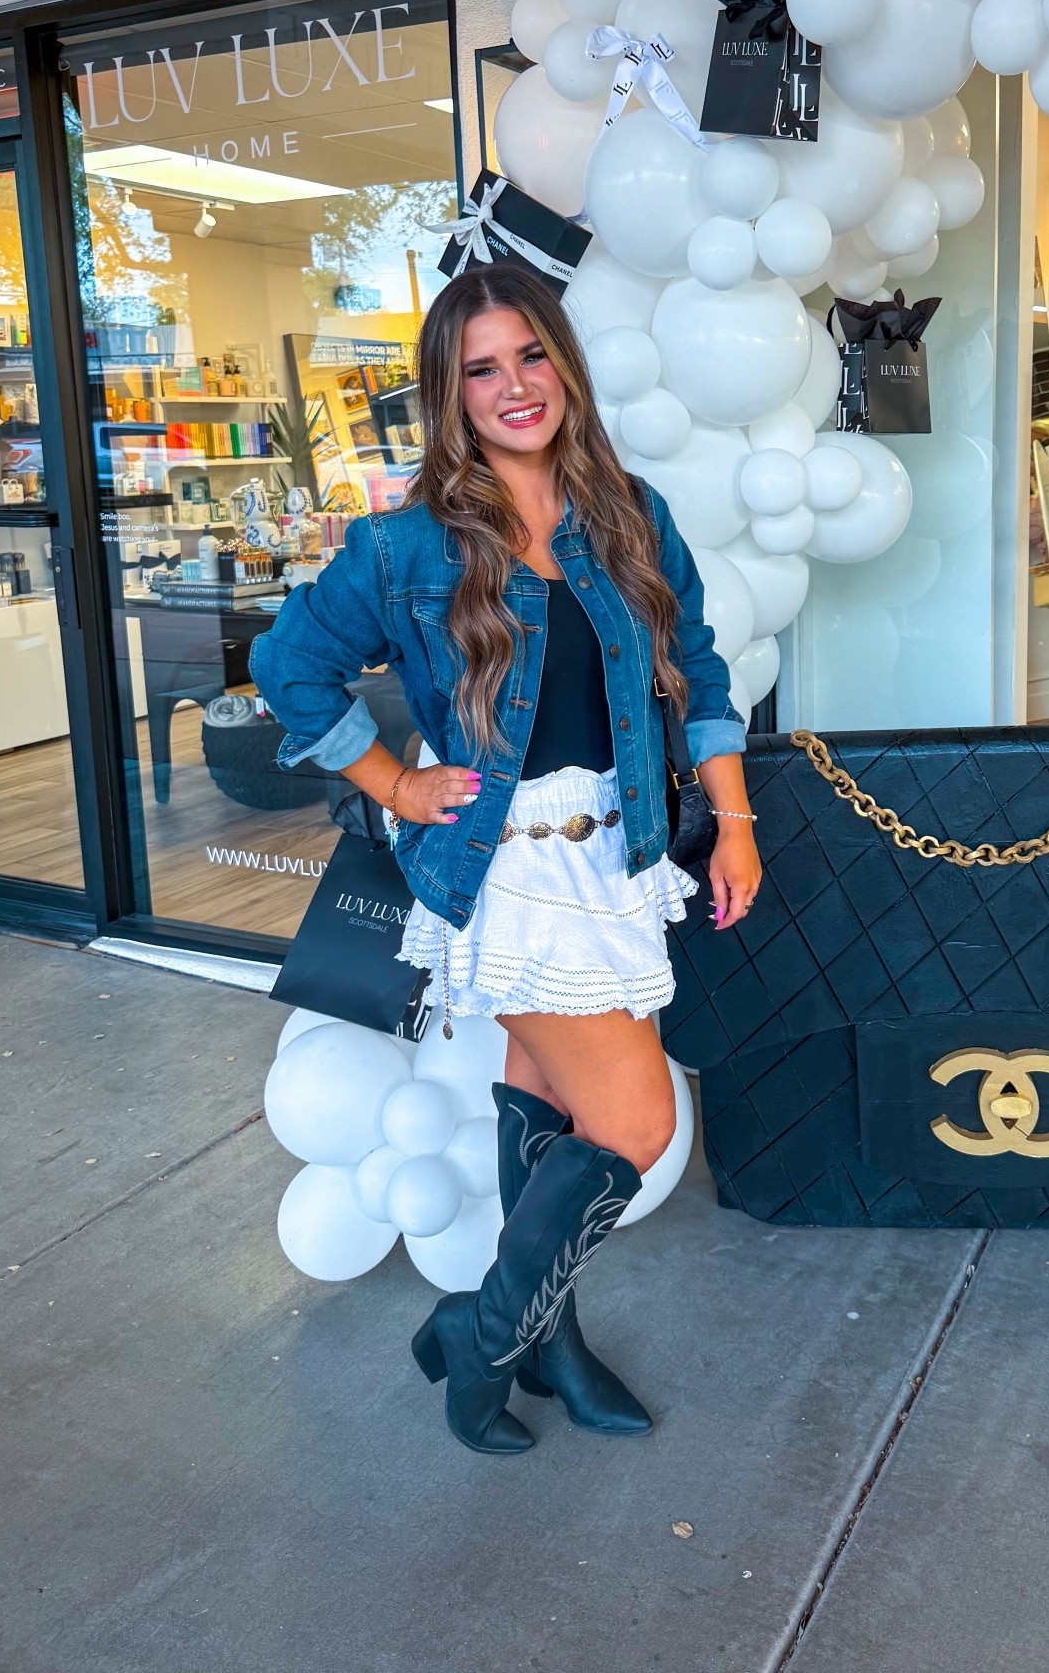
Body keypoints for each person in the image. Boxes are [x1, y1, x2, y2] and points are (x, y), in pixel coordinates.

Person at [250, 263, 761, 1456]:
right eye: (482, 368)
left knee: (548, 1095)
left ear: (563, 362)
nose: (514, 385)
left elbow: (700, 671)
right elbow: (288, 666)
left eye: (530, 354)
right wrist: (394, 781)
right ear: (452, 393)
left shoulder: (629, 514)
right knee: (635, 1120)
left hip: (615, 852)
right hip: (506, 867)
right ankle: (480, 1336)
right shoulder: (406, 545)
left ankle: (545, 1340)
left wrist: (734, 821)